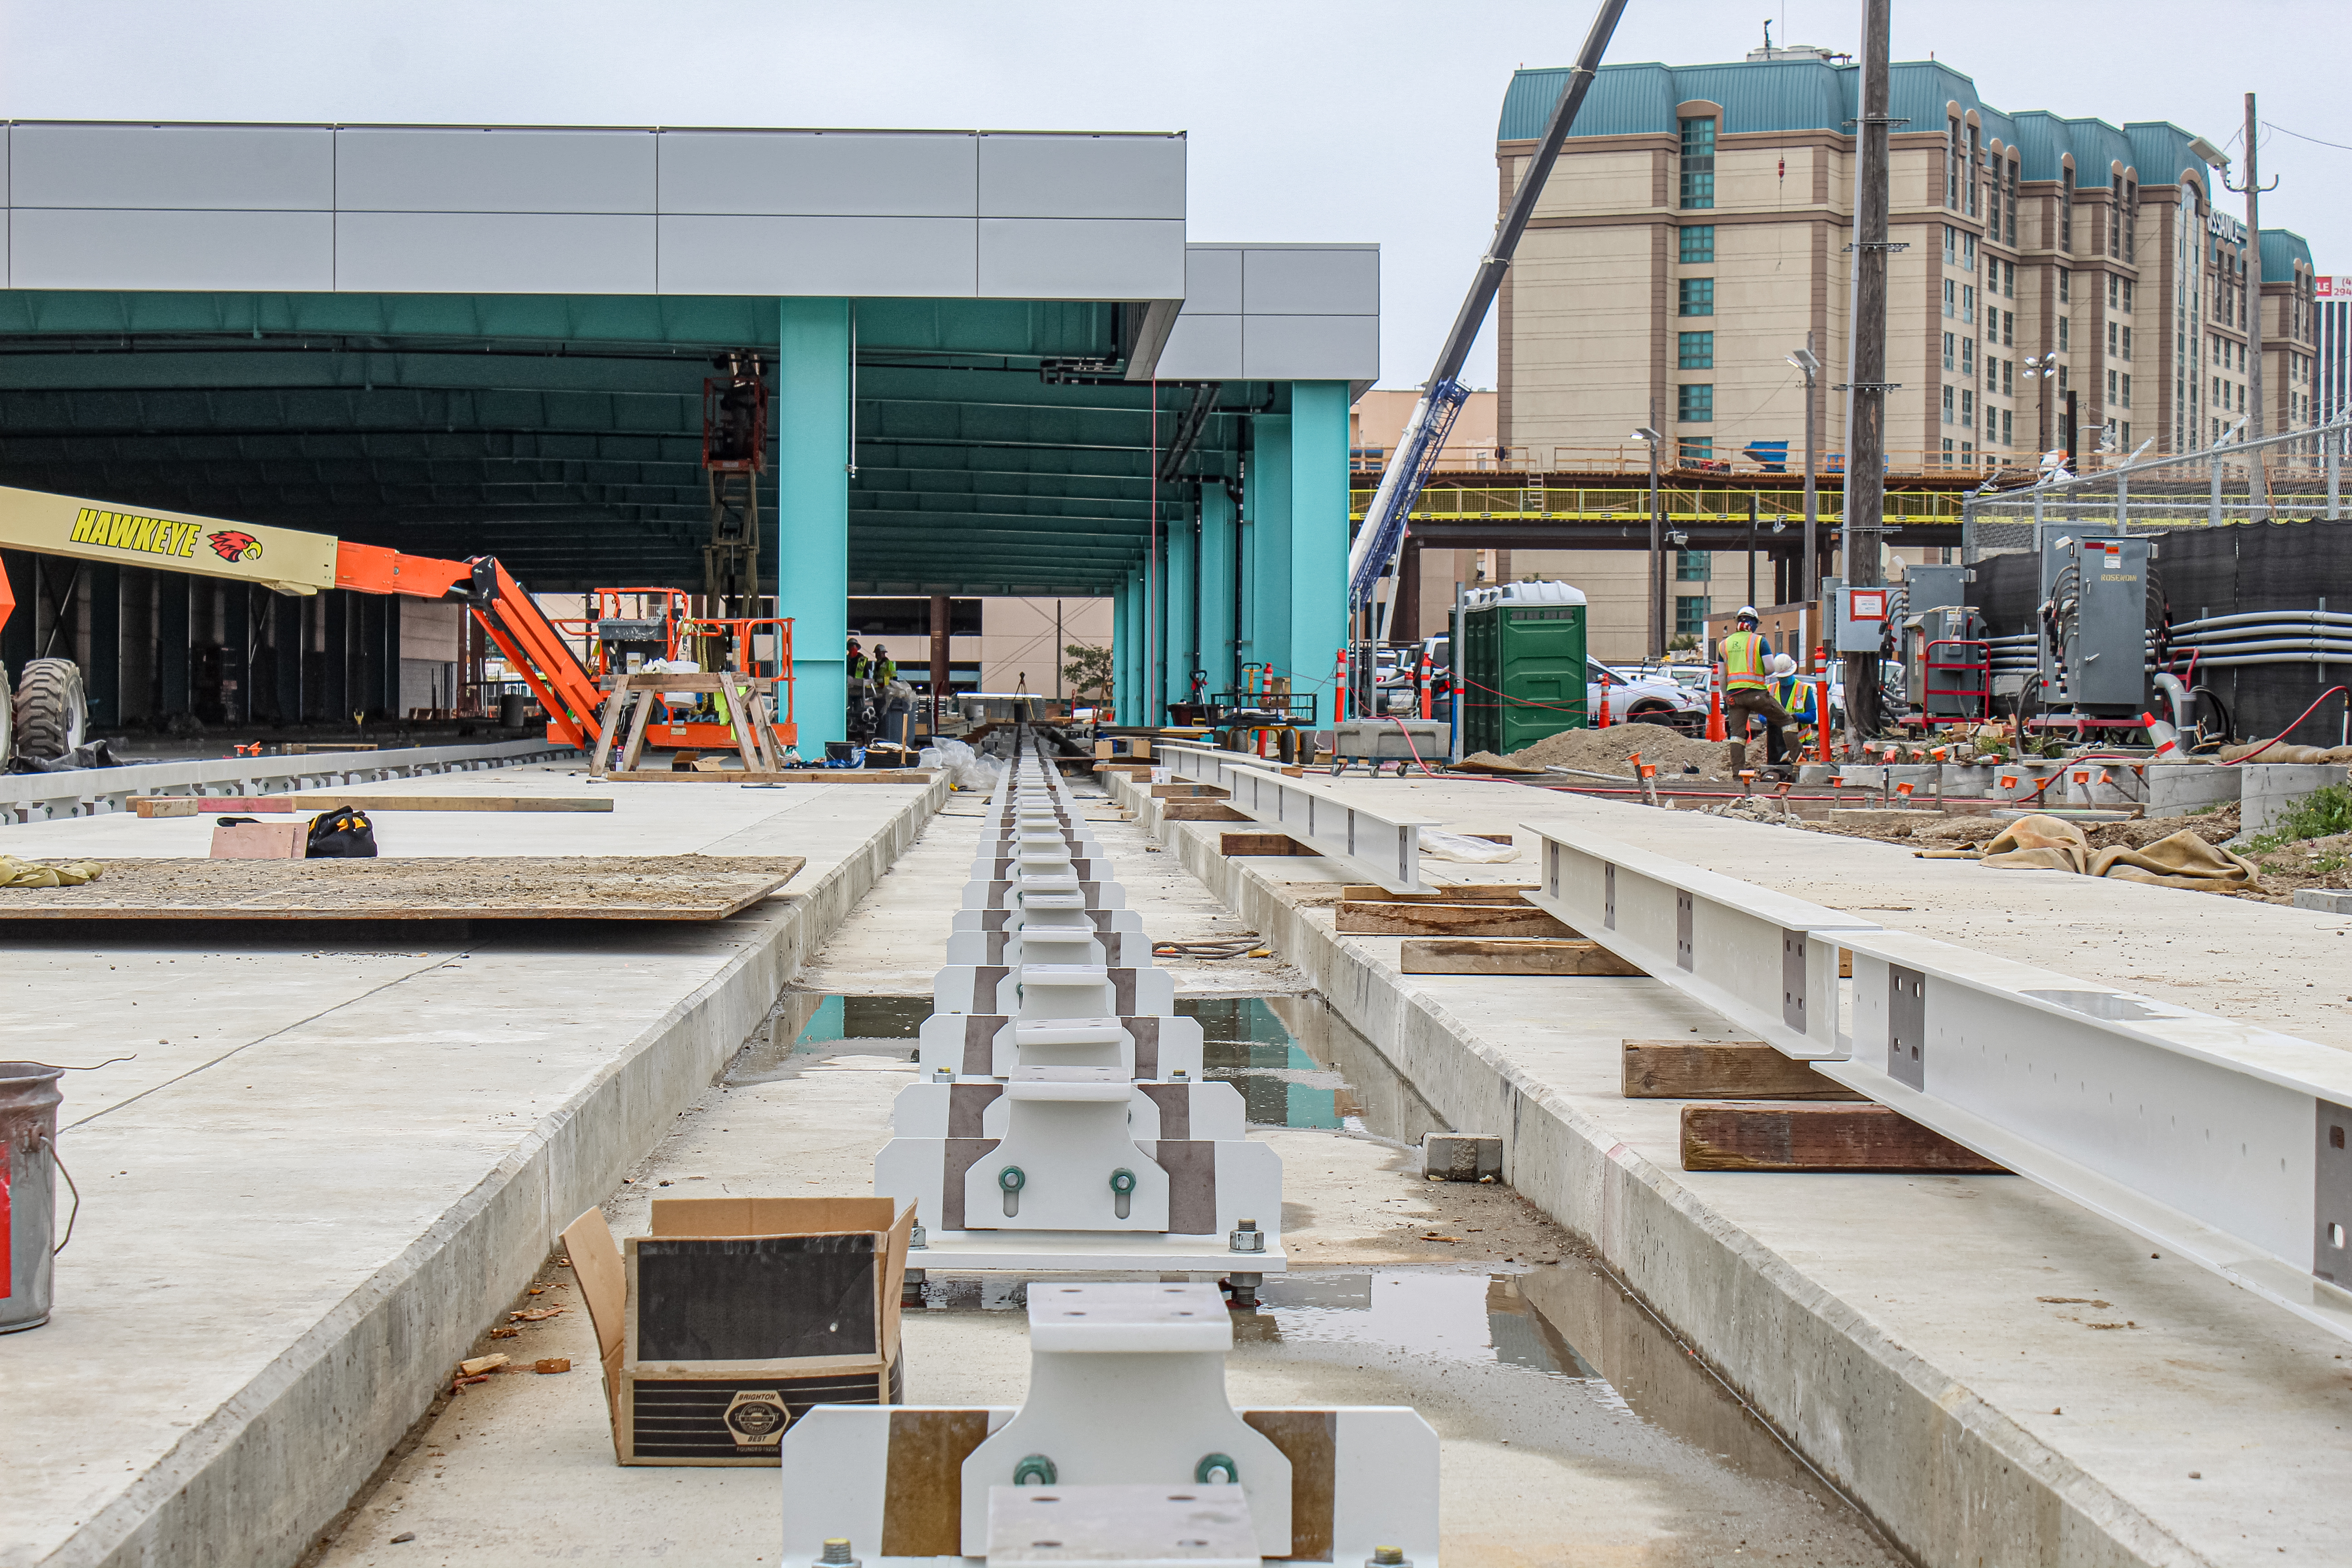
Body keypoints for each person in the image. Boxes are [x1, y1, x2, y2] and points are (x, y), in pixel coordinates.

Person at [1715, 606, 1789, 768]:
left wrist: (1726, 696)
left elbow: (1722, 676)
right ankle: (1798, 759)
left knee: (1737, 736)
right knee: (1787, 721)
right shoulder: (1759, 641)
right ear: (1754, 624)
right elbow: (1770, 668)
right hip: (1757, 693)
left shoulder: (1724, 645)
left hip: (1734, 696)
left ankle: (1738, 775)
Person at [1767, 652, 1818, 755]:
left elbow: (1812, 717)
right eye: (1781, 677)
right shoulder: (1770, 690)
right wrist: (1773, 718)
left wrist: (1794, 716)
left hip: (1802, 742)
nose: (1783, 680)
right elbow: (1762, 717)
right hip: (1777, 743)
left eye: (1786, 676)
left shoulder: (1804, 689)